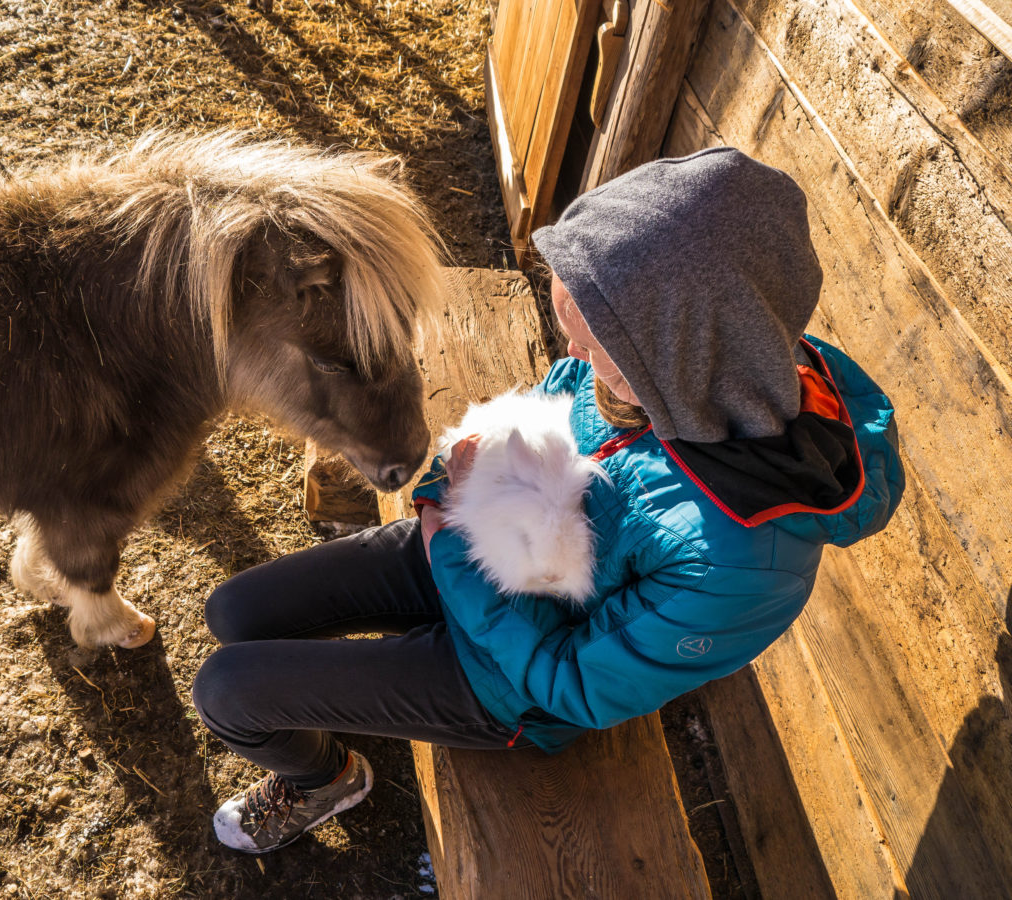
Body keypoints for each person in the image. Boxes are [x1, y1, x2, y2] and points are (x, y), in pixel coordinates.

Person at [191, 147, 905, 854]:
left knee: (225, 690)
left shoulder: (741, 564)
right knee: (234, 613)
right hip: (472, 543)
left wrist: (455, 543)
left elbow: (574, 685)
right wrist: (466, 475)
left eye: (594, 348)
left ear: (678, 358)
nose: (573, 357)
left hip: (504, 682)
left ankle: (327, 781)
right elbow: (549, 401)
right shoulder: (705, 365)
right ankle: (340, 692)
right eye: (572, 331)